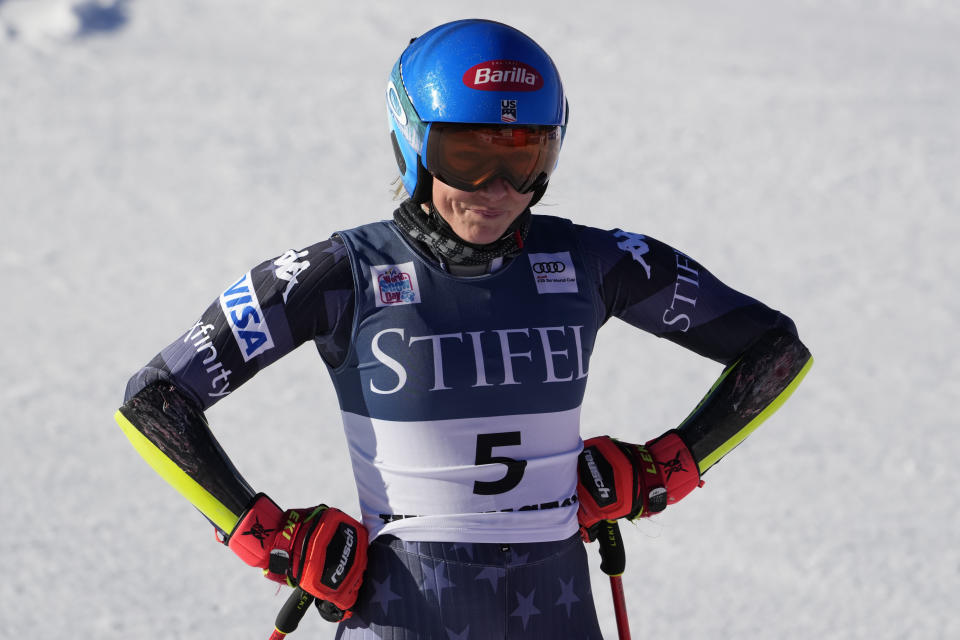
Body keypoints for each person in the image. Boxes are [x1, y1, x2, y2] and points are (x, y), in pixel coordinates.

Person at [116, 19, 812, 639]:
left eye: (525, 156)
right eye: (466, 156)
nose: (497, 188)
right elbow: (155, 401)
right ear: (411, 143)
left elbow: (773, 351)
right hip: (402, 609)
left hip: (557, 604)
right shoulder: (339, 274)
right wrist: (266, 535)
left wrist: (663, 468)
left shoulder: (593, 261)